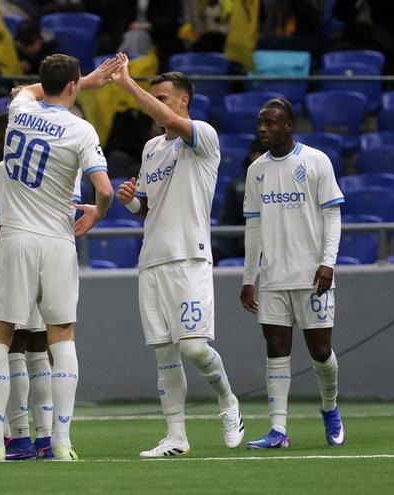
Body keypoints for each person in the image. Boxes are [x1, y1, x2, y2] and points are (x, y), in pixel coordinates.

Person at [0, 53, 119, 463]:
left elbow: (28, 90)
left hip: (17, 237)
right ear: (74, 85)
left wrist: (86, 82)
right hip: (59, 240)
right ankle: (61, 443)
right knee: (61, 337)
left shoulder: (20, 109)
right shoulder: (82, 129)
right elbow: (106, 188)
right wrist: (97, 212)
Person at [111, 55, 245, 458]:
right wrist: (133, 203)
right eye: (153, 97)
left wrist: (126, 85)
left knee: (194, 348)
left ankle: (228, 402)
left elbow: (166, 118)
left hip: (189, 257)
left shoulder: (202, 135)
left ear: (184, 101)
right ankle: (176, 437)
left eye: (162, 98)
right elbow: (150, 207)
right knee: (165, 353)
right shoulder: (152, 148)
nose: (155, 104)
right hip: (152, 259)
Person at [240, 98, 345, 449]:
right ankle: (278, 430)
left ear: (288, 126)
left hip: (312, 276)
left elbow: (332, 215)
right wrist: (248, 277)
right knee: (276, 348)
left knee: (320, 351)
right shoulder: (256, 170)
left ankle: (329, 408)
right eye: (260, 122)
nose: (263, 129)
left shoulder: (315, 161)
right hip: (273, 278)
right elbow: (253, 227)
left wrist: (328, 261)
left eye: (270, 123)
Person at [0, 111, 82, 460]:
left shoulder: (5, 168)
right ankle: (51, 440)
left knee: (7, 344)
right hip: (57, 248)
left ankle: (14, 438)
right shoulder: (68, 154)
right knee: (45, 348)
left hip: (18, 250)